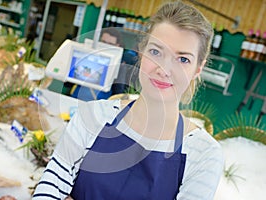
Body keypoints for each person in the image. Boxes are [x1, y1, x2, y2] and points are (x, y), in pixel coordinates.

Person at [33, 1, 224, 200]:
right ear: (141, 53)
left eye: (183, 59)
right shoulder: (93, 115)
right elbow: (49, 189)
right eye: (156, 52)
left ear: (197, 69)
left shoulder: (204, 155)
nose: (164, 69)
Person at [70, 28, 139, 101]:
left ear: (117, 46)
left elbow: (118, 92)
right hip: (76, 98)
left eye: (110, 44)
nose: (105, 47)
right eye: (103, 42)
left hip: (100, 104)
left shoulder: (120, 66)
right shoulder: (88, 57)